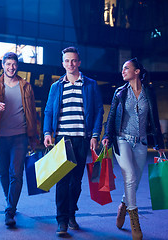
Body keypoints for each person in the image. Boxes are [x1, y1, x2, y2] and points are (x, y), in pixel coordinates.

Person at [43, 46, 104, 237]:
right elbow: (49, 111)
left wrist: (95, 135)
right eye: (67, 61)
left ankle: (71, 213)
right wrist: (47, 132)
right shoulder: (56, 86)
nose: (70, 64)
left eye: (73, 60)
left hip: (81, 138)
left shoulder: (90, 84)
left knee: (76, 181)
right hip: (62, 139)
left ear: (79, 62)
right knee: (62, 180)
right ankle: (61, 220)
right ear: (63, 64)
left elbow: (98, 111)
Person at [102, 58, 165, 240]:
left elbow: (155, 118)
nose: (123, 71)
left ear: (137, 71)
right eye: (122, 68)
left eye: (126, 68)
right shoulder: (120, 93)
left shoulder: (149, 92)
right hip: (122, 140)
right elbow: (112, 115)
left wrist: (159, 144)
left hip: (142, 142)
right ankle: (134, 219)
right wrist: (107, 136)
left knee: (135, 181)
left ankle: (123, 205)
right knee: (129, 176)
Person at [0, 52, 37, 227]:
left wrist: (33, 138)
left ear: (17, 65)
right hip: (0, 136)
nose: (11, 67)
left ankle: (10, 210)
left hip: (20, 136)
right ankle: (10, 201)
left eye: (14, 64)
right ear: (3, 65)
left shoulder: (26, 86)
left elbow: (32, 113)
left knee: (16, 174)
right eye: (8, 64)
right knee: (3, 173)